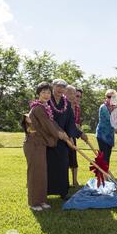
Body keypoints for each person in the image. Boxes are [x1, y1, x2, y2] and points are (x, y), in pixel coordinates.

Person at [22, 82, 69, 211]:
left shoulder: (45, 107)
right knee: (35, 173)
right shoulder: (38, 108)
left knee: (42, 173)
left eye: (48, 92)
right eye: (43, 92)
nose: (46, 95)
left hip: (40, 144)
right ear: (38, 94)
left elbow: (52, 122)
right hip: (33, 144)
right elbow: (47, 125)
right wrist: (59, 134)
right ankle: (34, 202)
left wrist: (62, 132)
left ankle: (41, 200)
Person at [47, 79, 88, 200]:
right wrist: (58, 132)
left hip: (63, 142)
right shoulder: (47, 102)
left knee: (63, 164)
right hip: (49, 140)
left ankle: (62, 192)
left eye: (62, 87)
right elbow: (46, 121)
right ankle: (47, 190)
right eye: (58, 86)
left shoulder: (67, 105)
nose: (60, 89)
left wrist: (79, 134)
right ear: (53, 87)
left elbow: (71, 124)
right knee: (49, 165)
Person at [96, 89, 117, 165]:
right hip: (102, 136)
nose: (111, 98)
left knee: (107, 157)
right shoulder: (103, 108)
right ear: (106, 97)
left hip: (110, 136)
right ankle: (102, 176)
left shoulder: (116, 108)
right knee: (103, 157)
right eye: (109, 96)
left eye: (113, 97)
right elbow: (112, 122)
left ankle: (106, 176)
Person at [66, 85, 81, 186]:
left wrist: (79, 132)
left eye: (79, 96)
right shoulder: (65, 106)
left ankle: (74, 181)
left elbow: (77, 123)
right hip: (64, 135)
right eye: (76, 95)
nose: (77, 98)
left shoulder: (77, 108)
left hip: (73, 134)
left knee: (73, 158)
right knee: (64, 160)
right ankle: (65, 182)